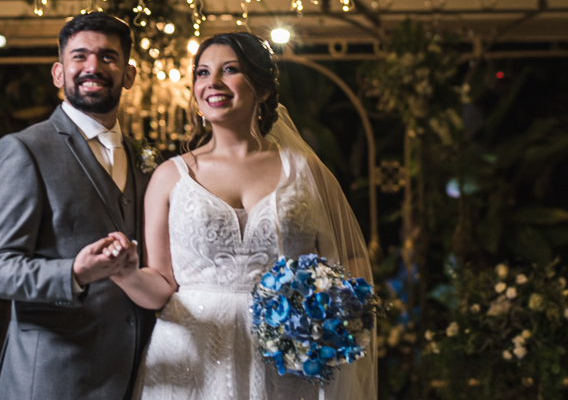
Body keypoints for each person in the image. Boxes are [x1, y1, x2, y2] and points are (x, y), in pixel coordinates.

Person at [107, 32, 377, 400]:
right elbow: (160, 286)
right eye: (203, 73)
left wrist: (335, 316)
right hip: (194, 355)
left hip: (287, 359)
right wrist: (126, 275)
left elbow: (352, 256)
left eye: (230, 70)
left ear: (262, 89)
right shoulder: (170, 177)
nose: (213, 82)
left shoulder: (304, 170)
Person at [0, 12, 154, 400]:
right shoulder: (25, 150)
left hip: (136, 377)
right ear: (59, 74)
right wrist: (74, 272)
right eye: (80, 56)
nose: (93, 66)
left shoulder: (146, 159)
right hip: (54, 378)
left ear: (129, 74)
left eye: (108, 57)